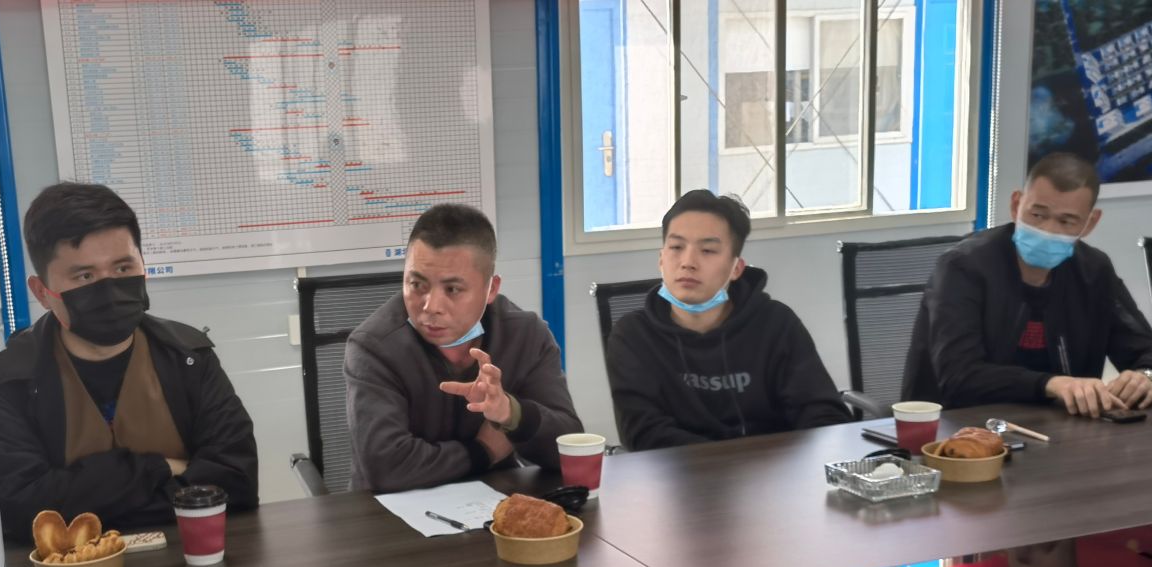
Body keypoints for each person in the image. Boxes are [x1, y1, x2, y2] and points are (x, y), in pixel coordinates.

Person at [0, 182, 258, 541]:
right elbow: (20, 509)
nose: (108, 289)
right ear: (42, 292)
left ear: (143, 266)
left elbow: (237, 483)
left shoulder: (189, 358)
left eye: (123, 268)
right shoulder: (7, 383)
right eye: (85, 276)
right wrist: (158, 468)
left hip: (188, 558)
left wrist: (81, 495)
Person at [903, 153, 1152, 417]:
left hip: (1063, 427)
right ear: (1016, 205)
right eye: (1037, 215)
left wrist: (1149, 375)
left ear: (1090, 223)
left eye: (1067, 221)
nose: (1049, 229)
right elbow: (958, 377)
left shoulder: (1092, 271)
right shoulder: (964, 267)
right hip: (959, 428)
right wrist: (1051, 384)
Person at [345, 204, 581, 492]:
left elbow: (569, 449)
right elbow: (385, 468)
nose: (431, 306)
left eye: (453, 289)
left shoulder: (525, 335)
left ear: (491, 289)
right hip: (387, 514)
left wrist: (512, 414)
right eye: (417, 284)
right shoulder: (374, 346)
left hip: (494, 506)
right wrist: (483, 451)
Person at [607, 190, 850, 450]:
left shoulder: (776, 324)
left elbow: (824, 416)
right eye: (676, 247)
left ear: (736, 268)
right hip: (678, 472)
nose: (688, 262)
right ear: (661, 259)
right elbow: (644, 434)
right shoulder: (634, 336)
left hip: (776, 470)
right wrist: (734, 462)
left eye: (708, 250)